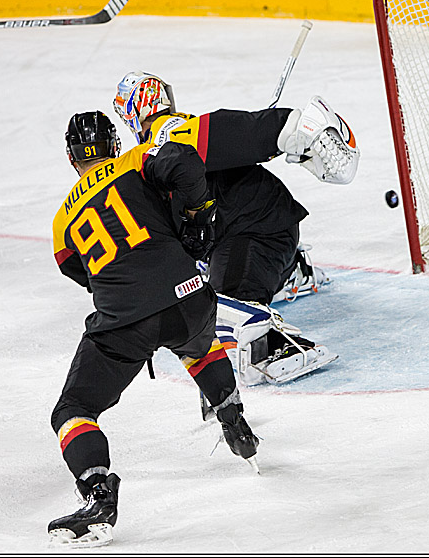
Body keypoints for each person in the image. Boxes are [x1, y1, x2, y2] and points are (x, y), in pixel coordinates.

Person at [49, 111, 259, 547]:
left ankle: (98, 494)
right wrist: (199, 216)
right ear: (114, 144)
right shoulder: (135, 159)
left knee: (74, 409)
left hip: (126, 318)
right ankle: (233, 418)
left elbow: (78, 271)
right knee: (198, 343)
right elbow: (184, 160)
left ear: (71, 158)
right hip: (190, 298)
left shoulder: (61, 222)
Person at [112, 72, 359, 388]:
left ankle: (276, 344)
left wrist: (292, 128)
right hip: (259, 228)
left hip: (259, 232)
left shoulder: (172, 134)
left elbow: (240, 131)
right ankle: (287, 271)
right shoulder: (159, 145)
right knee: (194, 274)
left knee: (212, 310)